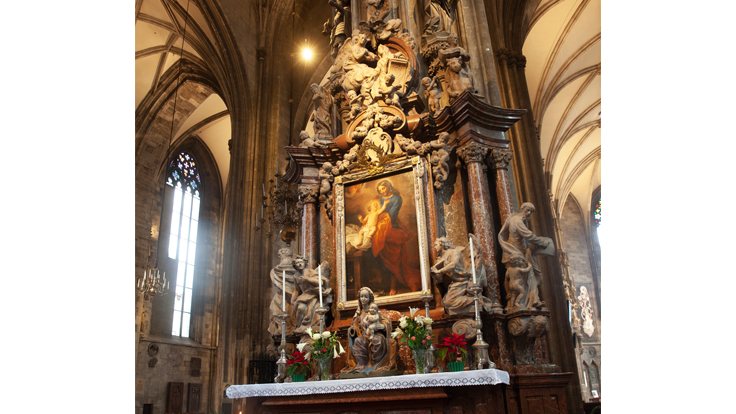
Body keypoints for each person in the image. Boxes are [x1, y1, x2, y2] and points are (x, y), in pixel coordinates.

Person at [368, 179, 422, 295]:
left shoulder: (396, 198)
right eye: (380, 189)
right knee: (373, 249)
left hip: (391, 225)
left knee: (393, 255)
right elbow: (373, 210)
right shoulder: (379, 198)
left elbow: (392, 216)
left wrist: (381, 226)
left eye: (383, 188)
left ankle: (393, 285)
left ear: (388, 187)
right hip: (378, 224)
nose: (381, 191)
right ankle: (380, 281)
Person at [498, 202, 554, 310]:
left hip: (520, 253)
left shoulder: (519, 219)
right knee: (527, 277)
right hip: (515, 254)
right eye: (528, 210)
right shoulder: (518, 221)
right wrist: (543, 243)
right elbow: (529, 236)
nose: (529, 213)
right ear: (522, 209)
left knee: (528, 278)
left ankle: (531, 301)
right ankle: (523, 303)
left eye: (531, 212)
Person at [343, 287, 393, 374]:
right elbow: (354, 326)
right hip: (364, 336)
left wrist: (382, 326)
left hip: (376, 334)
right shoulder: (359, 314)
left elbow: (386, 322)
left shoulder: (376, 312)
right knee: (358, 341)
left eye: (366, 297)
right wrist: (352, 330)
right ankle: (362, 365)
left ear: (370, 299)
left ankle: (377, 365)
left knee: (377, 340)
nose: (363, 299)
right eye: (361, 297)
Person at [291, 258, 333, 334]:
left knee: (315, 312)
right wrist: (293, 299)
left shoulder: (310, 272)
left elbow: (320, 282)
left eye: (301, 262)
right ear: (295, 266)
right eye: (297, 262)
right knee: (300, 308)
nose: (300, 264)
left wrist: (306, 279)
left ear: (304, 263)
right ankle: (299, 327)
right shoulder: (295, 276)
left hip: (314, 295)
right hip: (304, 296)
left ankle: (312, 327)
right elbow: (297, 289)